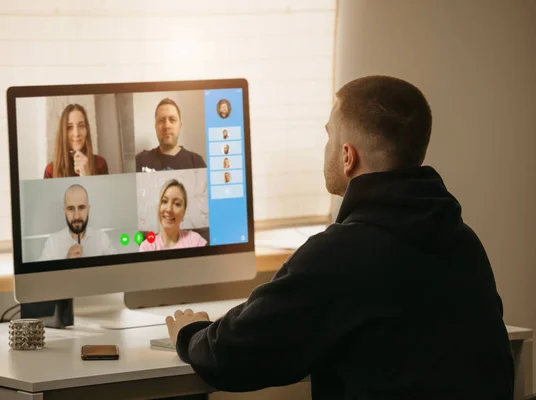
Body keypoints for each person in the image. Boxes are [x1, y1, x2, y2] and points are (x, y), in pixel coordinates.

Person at [165, 76, 514, 399]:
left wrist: (190, 333)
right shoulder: (463, 240)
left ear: (348, 156)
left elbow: (234, 353)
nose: (326, 146)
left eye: (329, 135)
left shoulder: (341, 254)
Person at [39, 184, 116, 261]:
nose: (76, 216)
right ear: (65, 211)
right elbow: (40, 272)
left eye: (81, 208)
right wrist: (66, 263)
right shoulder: (53, 242)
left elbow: (116, 269)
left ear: (88, 209)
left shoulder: (102, 239)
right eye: (70, 209)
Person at [135, 98, 207, 172]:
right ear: (155, 126)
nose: (167, 126)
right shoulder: (140, 161)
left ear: (180, 126)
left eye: (172, 120)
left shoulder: (196, 163)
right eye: (161, 120)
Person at [139, 179, 207, 251]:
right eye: (164, 201)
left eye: (177, 204)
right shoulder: (146, 247)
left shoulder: (195, 241)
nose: (169, 209)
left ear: (184, 212)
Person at [44, 104, 109, 178]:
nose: (76, 133)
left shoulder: (100, 164)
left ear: (87, 130)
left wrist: (86, 175)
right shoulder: (51, 170)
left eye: (81, 126)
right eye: (70, 127)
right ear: (63, 133)